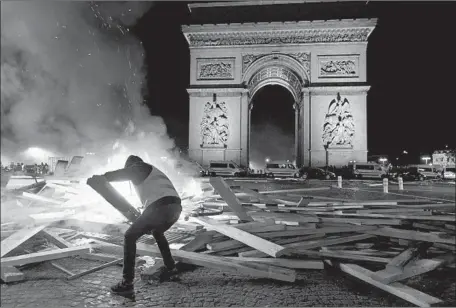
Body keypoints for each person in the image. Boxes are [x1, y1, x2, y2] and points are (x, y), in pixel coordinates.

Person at [90, 155, 182, 297]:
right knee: (157, 232)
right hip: (175, 209)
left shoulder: (140, 166)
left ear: (133, 165)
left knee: (129, 236)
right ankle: (172, 269)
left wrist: (103, 178)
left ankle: (127, 283)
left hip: (161, 207)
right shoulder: (154, 173)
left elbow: (128, 173)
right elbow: (156, 196)